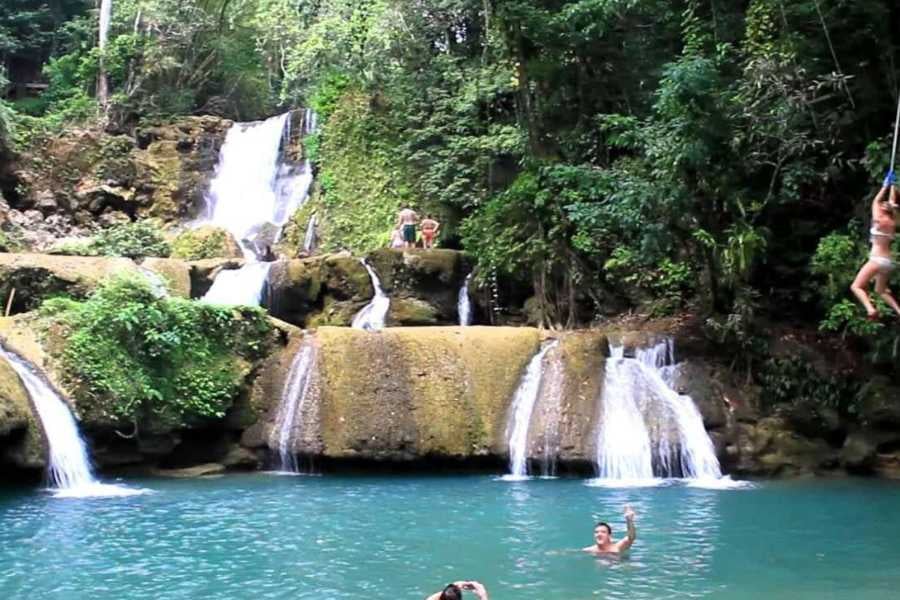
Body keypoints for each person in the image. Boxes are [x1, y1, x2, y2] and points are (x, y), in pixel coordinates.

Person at [850, 170, 900, 321]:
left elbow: (876, 201)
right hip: (889, 262)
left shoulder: (878, 218)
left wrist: (885, 185)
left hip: (877, 260)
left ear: (885, 210)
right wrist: (892, 186)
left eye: (886, 205)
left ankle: (870, 309)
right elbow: (891, 203)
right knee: (880, 290)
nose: (884, 204)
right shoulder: (893, 222)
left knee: (856, 287)